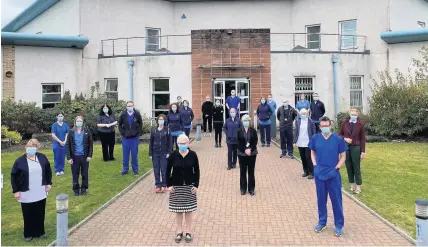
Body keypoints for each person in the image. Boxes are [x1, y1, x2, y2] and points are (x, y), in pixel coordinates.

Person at [310, 116, 347, 237]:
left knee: (336, 200)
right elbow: (312, 152)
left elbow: (343, 157)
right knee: (321, 200)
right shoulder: (315, 138)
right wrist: (315, 165)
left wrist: (336, 168)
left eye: (327, 126)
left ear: (330, 126)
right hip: (320, 174)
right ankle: (322, 222)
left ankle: (339, 225)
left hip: (333, 174)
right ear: (320, 127)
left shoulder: (338, 139)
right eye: (323, 126)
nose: (325, 128)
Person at [11, 139, 52, 242]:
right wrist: (16, 191)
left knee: (40, 211)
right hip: (26, 191)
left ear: (37, 148)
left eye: (34, 147)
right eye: (29, 147)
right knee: (28, 212)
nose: (31, 149)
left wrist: (48, 183)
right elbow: (13, 176)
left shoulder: (42, 157)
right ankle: (28, 234)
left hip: (40, 189)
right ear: (26, 148)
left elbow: (48, 170)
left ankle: (40, 232)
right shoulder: (19, 161)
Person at [166, 134, 200, 243]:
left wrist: (196, 185)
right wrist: (169, 185)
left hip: (189, 186)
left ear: (188, 143)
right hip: (176, 187)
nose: (182, 145)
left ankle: (188, 231)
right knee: (179, 211)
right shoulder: (173, 155)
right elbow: (168, 171)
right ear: (177, 144)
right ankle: (179, 231)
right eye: (180, 143)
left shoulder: (193, 155)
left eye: (184, 143)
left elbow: (197, 170)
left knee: (189, 210)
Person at [338, 108, 366, 194]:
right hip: (346, 147)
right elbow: (340, 134)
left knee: (356, 167)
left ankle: (358, 187)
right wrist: (345, 138)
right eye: (352, 114)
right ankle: (352, 186)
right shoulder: (345, 123)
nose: (353, 116)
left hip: (356, 147)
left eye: (355, 115)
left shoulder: (360, 124)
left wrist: (363, 151)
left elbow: (362, 139)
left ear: (357, 115)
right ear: (349, 114)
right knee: (349, 167)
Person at [66, 116, 94, 196]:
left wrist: (89, 155)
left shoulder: (87, 131)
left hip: (84, 157)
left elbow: (90, 144)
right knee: (75, 174)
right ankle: (76, 190)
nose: (79, 122)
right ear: (75, 122)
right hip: (74, 157)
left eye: (80, 121)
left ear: (83, 122)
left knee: (85, 173)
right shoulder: (71, 132)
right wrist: (69, 157)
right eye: (77, 121)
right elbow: (67, 145)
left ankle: (84, 189)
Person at [118, 101, 143, 176]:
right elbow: (119, 124)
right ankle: (125, 169)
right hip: (125, 138)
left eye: (131, 106)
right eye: (128, 106)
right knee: (125, 155)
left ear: (133, 106)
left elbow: (140, 123)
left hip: (134, 138)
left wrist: (137, 132)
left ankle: (135, 170)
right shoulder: (123, 115)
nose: (130, 107)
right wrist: (123, 133)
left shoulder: (137, 114)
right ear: (126, 107)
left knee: (134, 154)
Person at [149, 114, 173, 193]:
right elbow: (151, 142)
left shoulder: (167, 130)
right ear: (157, 121)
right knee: (156, 170)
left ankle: (164, 185)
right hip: (155, 153)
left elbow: (170, 142)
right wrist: (150, 153)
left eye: (162, 119)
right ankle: (158, 185)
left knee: (164, 169)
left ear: (164, 120)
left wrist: (169, 152)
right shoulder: (154, 130)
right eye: (159, 119)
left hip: (164, 153)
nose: (161, 121)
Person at [237, 114, 258, 196]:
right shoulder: (239, 131)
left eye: (247, 121)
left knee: (251, 171)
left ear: (249, 122)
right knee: (242, 171)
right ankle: (243, 189)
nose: (246, 122)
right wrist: (244, 150)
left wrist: (250, 149)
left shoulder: (253, 130)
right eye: (244, 121)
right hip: (242, 154)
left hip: (252, 154)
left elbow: (255, 140)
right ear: (242, 122)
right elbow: (238, 142)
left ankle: (251, 189)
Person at [293, 108, 316, 179]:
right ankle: (305, 171)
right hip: (300, 142)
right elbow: (296, 132)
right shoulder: (297, 121)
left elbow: (314, 132)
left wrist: (314, 141)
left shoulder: (311, 122)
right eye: (302, 113)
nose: (303, 115)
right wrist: (294, 141)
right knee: (303, 157)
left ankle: (311, 172)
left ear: (307, 114)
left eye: (304, 113)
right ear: (300, 114)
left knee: (308, 157)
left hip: (308, 142)